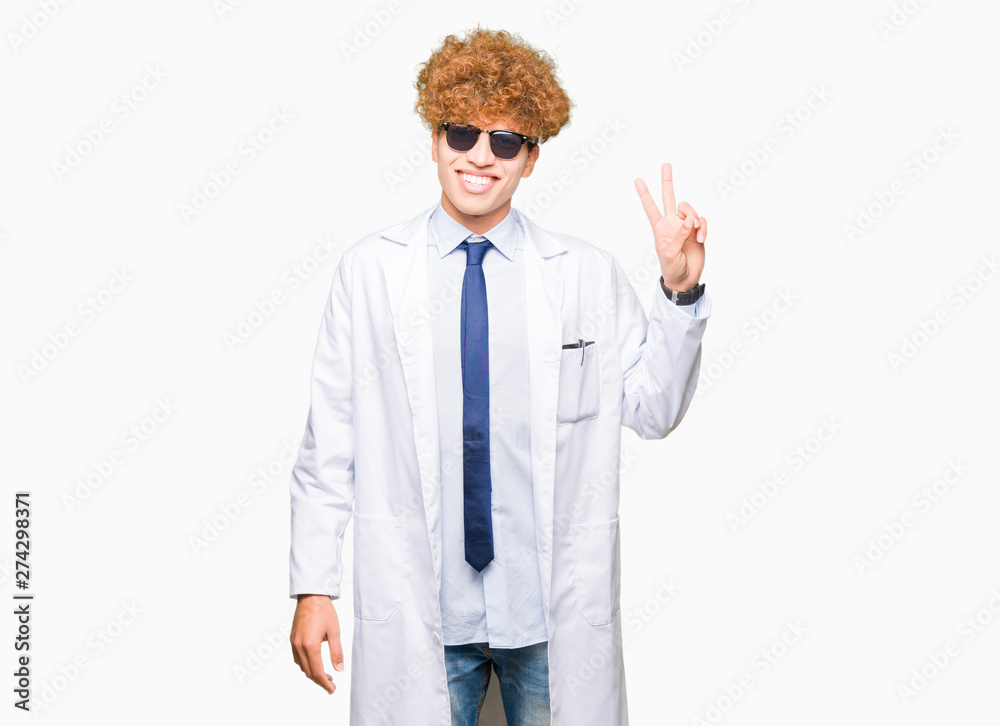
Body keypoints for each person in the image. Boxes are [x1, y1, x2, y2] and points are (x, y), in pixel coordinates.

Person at [288, 26, 711, 726]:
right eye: (461, 133)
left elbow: (653, 410)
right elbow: (328, 441)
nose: (480, 157)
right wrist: (312, 587)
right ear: (433, 139)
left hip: (547, 614)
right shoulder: (370, 273)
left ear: (533, 157)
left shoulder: (584, 276)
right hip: (421, 610)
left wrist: (680, 293)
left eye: (505, 141)